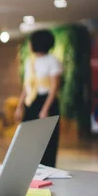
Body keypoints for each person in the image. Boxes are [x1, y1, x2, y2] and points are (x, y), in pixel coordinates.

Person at [15, 29, 62, 167]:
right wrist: (20, 105)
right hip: (31, 101)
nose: (29, 44)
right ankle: (29, 167)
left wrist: (45, 109)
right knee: (28, 136)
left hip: (46, 101)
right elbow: (27, 85)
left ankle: (47, 167)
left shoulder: (53, 61)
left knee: (47, 139)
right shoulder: (30, 61)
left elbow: (54, 88)